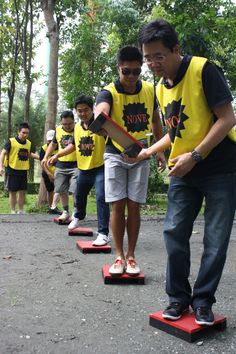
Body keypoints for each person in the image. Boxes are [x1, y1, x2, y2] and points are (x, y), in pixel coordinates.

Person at [137, 19, 236, 325]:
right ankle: (178, 298)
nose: (152, 64)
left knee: (216, 239)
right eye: (147, 58)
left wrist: (195, 155)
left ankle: (203, 300)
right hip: (184, 170)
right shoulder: (159, 87)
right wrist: (151, 151)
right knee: (173, 233)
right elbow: (176, 128)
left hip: (221, 169)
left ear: (176, 49)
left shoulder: (204, 70)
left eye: (158, 56)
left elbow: (227, 118)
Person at [95, 45, 165, 275]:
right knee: (118, 205)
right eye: (127, 72)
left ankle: (132, 256)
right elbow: (101, 114)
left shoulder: (148, 90)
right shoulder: (108, 92)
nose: (131, 77)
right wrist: (100, 119)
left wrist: (159, 150)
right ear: (118, 68)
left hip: (141, 155)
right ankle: (118, 256)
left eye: (136, 72)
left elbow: (156, 121)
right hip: (115, 154)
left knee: (134, 206)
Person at [48, 95, 110, 246]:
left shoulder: (102, 123)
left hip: (100, 167)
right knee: (79, 195)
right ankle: (78, 216)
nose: (83, 114)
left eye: (86, 110)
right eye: (79, 111)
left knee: (101, 198)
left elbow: (112, 137)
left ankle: (103, 233)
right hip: (83, 168)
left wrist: (107, 133)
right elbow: (73, 145)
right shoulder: (76, 127)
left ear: (92, 109)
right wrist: (57, 155)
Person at [41, 110, 77, 222]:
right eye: (64, 124)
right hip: (61, 164)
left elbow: (73, 146)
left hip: (77, 164)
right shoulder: (58, 130)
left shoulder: (79, 129)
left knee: (76, 189)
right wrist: (45, 157)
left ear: (74, 121)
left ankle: (76, 213)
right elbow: (53, 143)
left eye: (69, 124)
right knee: (61, 189)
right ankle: (65, 211)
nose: (67, 126)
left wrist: (56, 155)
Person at [0, 122, 39, 214]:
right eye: (23, 133)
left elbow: (30, 154)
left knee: (22, 191)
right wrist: (1, 166)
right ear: (18, 132)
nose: (25, 135)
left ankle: (21, 211)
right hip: (12, 169)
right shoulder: (11, 141)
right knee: (12, 192)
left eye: (27, 133)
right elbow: (3, 153)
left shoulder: (29, 143)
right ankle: (13, 211)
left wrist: (42, 158)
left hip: (23, 170)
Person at [39, 129, 61, 214]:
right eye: (48, 140)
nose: (50, 142)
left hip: (59, 172)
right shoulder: (44, 148)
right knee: (50, 190)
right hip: (47, 172)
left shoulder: (61, 147)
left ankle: (56, 206)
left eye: (52, 140)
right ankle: (52, 207)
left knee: (60, 190)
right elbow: (42, 162)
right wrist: (49, 174)